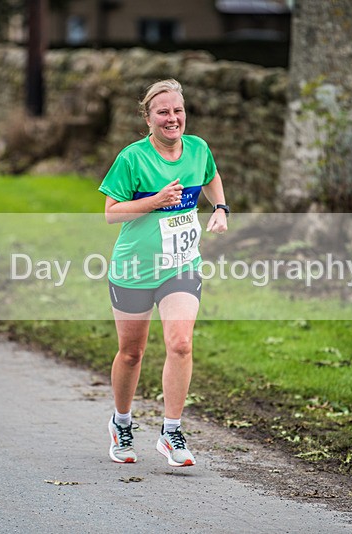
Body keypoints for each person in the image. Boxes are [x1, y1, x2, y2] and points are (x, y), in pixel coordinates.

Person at [98, 79, 229, 467]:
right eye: (163, 112)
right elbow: (110, 213)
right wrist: (155, 201)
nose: (172, 118)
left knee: (181, 343)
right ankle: (121, 423)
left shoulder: (198, 149)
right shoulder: (132, 158)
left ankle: (171, 432)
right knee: (132, 353)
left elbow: (211, 176)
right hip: (135, 269)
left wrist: (221, 208)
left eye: (178, 111)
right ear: (148, 118)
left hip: (182, 266)